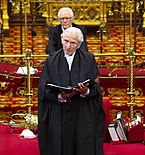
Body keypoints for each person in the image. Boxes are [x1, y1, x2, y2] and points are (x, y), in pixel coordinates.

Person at [38, 27, 106, 155]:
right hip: (60, 113)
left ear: (79, 45)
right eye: (66, 41)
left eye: (73, 43)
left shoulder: (89, 59)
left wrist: (85, 91)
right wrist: (60, 96)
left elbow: (96, 87)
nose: (68, 46)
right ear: (61, 40)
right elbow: (43, 88)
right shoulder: (51, 60)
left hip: (82, 112)